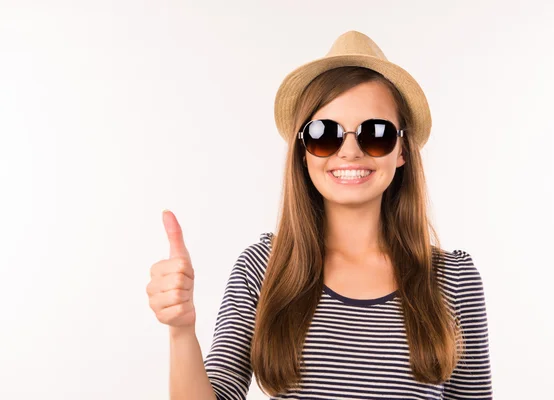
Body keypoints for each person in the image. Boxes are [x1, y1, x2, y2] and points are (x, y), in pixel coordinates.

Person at [147, 30, 493, 400]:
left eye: (375, 133)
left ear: (402, 150)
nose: (349, 152)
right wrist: (181, 331)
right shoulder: (262, 269)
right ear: (303, 151)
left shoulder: (452, 279)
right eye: (324, 134)